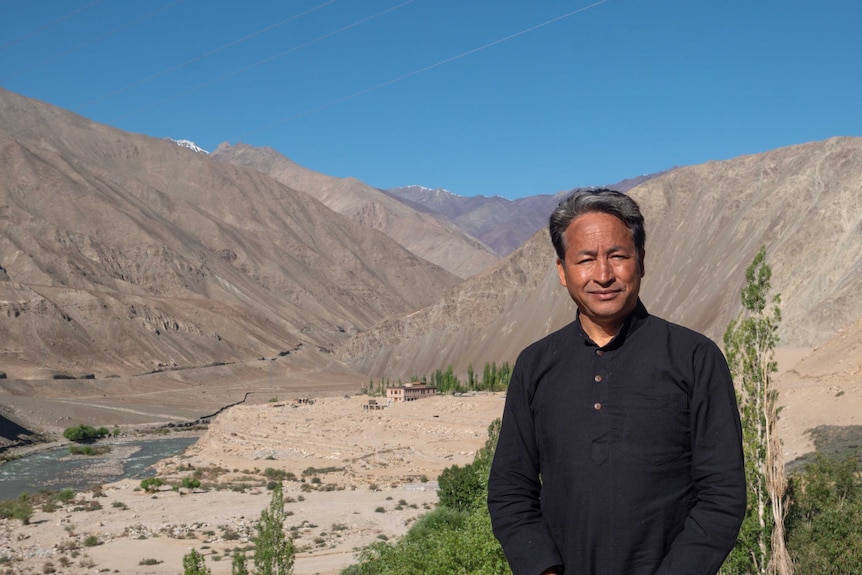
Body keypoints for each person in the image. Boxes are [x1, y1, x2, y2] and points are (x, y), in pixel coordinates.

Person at [487, 189, 746, 575]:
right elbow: (510, 490)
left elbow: (722, 496)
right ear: (562, 271)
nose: (604, 275)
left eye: (618, 256)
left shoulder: (694, 358)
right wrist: (544, 569)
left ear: (641, 262)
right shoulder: (535, 365)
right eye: (586, 260)